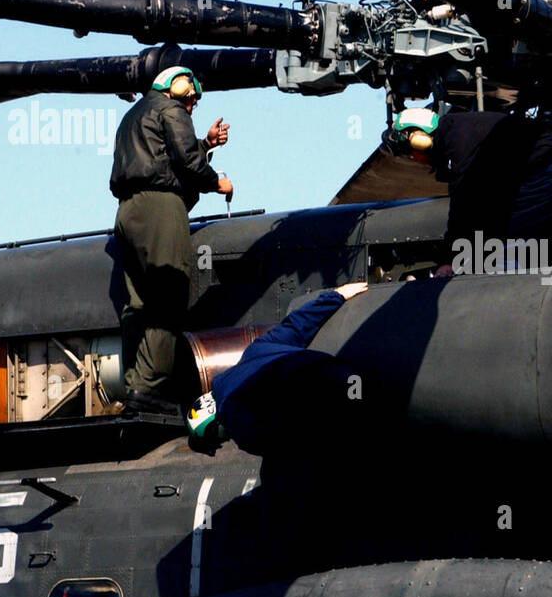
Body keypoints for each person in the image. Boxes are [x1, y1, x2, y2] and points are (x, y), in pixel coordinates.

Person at [110, 65, 233, 414]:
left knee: (136, 304)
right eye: (191, 100)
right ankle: (154, 389)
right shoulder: (171, 109)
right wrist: (217, 182)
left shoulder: (133, 116)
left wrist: (208, 143)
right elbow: (187, 163)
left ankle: (135, 385)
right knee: (168, 298)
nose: (191, 108)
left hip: (127, 212)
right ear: (178, 88)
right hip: (160, 209)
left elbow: (162, 157)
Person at [385, 108, 552, 272]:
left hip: (551, 180)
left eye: (410, 152)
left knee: (492, 237)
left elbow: (463, 207)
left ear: (420, 140)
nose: (413, 158)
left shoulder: (458, 142)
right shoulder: (463, 129)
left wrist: (449, 260)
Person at [189, 282, 369, 455]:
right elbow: (296, 325)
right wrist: (337, 295)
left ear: (213, 427)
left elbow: (283, 446)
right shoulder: (253, 351)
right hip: (340, 370)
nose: (225, 441)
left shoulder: (235, 420)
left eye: (218, 440)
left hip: (343, 397)